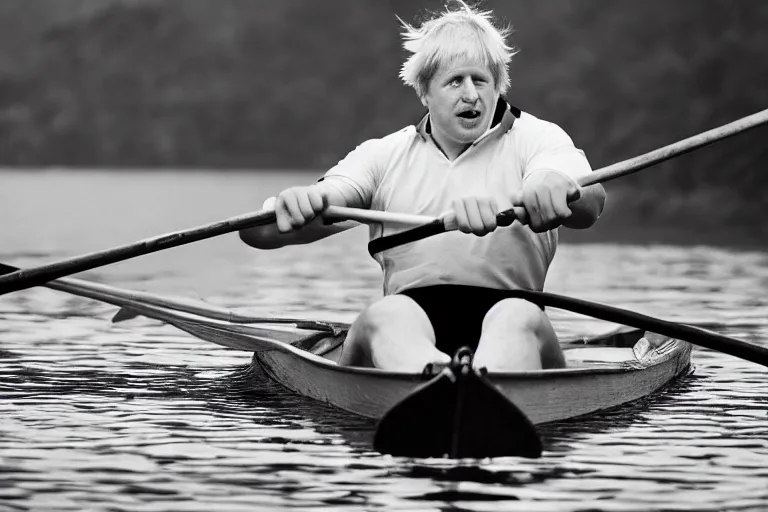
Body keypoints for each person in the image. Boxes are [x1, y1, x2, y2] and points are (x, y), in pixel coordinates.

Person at [240, 1, 606, 373]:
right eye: (454, 81)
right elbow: (259, 233)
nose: (471, 94)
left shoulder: (539, 140)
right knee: (384, 315)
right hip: (409, 331)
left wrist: (552, 186)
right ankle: (438, 382)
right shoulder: (383, 156)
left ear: (498, 86)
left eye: (481, 80)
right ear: (424, 93)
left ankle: (476, 388)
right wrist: (302, 202)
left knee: (516, 314)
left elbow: (590, 201)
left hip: (514, 324)